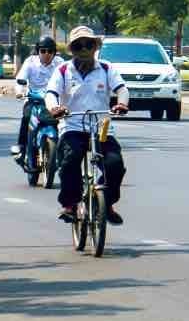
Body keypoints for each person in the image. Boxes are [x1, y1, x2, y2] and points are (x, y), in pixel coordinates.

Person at [43, 26, 129, 226]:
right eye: (78, 45)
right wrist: (55, 108)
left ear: (94, 47)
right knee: (70, 162)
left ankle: (106, 202)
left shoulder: (106, 68)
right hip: (72, 126)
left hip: (102, 127)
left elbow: (122, 89)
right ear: (72, 49)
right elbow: (51, 93)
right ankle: (70, 205)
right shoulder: (63, 69)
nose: (84, 49)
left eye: (88, 44)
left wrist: (122, 103)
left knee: (114, 165)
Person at [10, 36, 61, 160]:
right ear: (38, 51)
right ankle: (21, 146)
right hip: (34, 99)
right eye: (43, 51)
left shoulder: (60, 63)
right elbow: (20, 79)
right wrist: (20, 91)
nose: (46, 54)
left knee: (64, 120)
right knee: (27, 117)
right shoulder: (30, 62)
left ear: (54, 52)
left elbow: (69, 78)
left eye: (50, 51)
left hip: (53, 101)